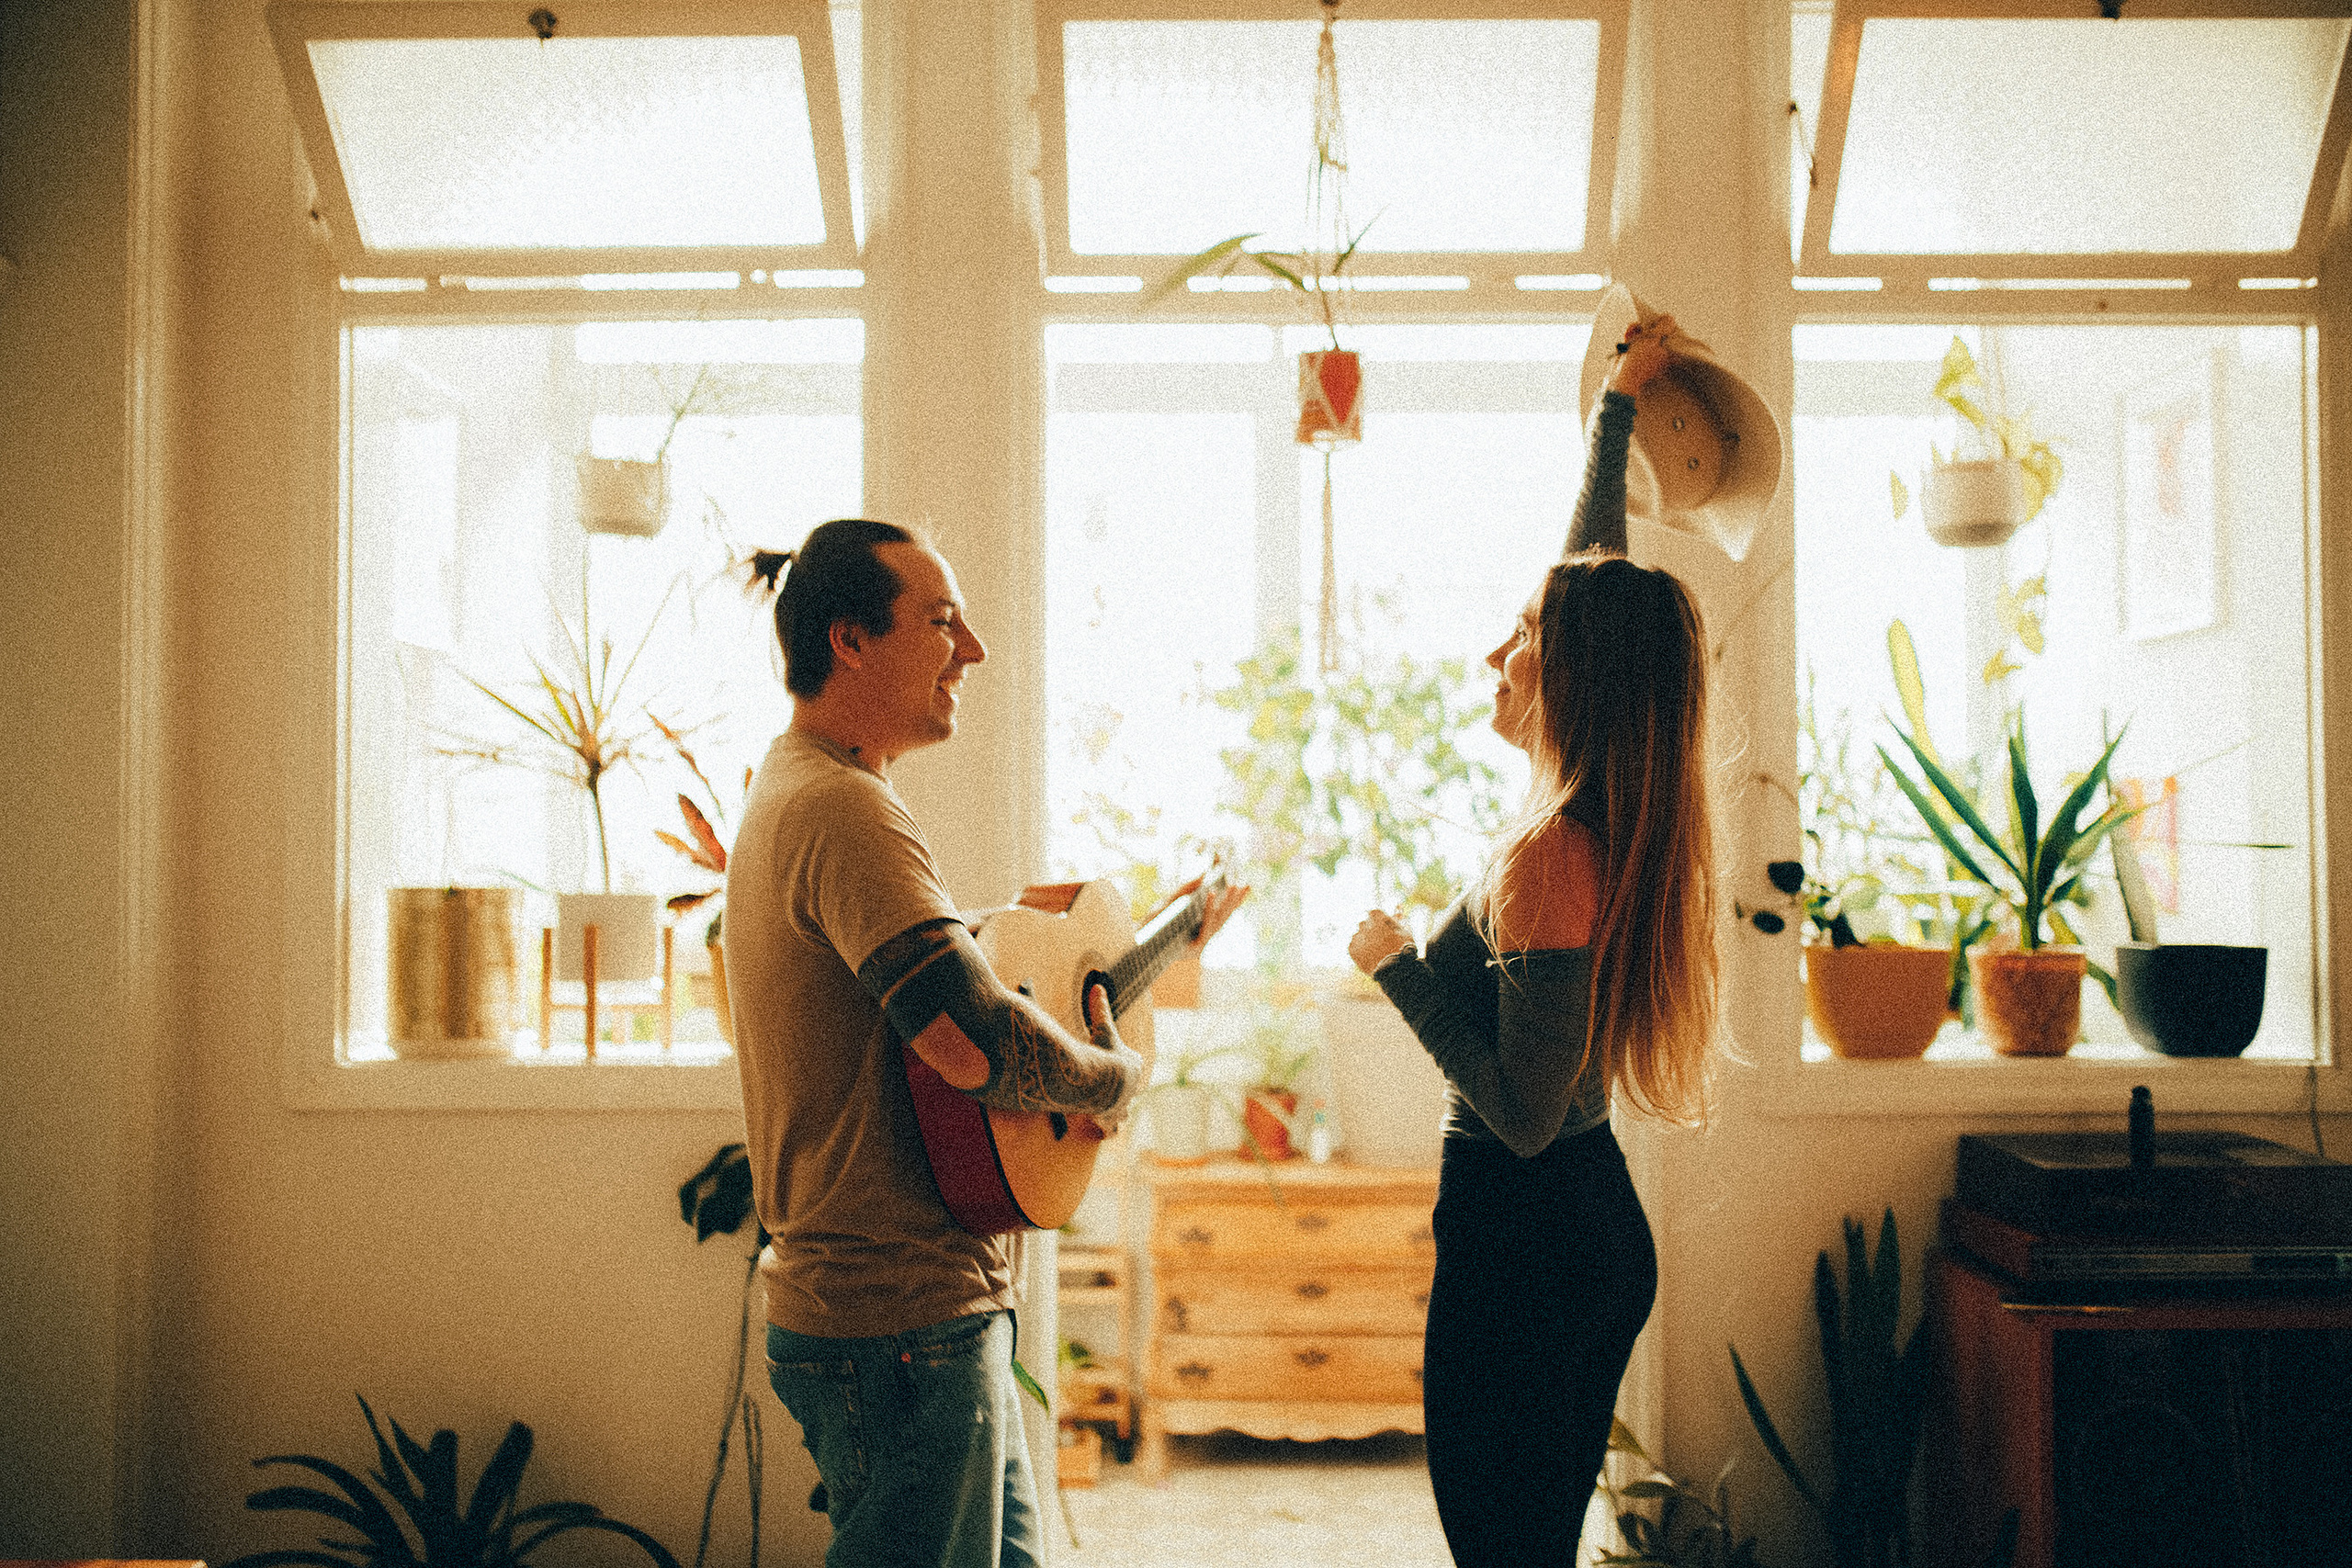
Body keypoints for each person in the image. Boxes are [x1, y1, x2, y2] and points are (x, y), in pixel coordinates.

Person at [724, 517, 1242, 1568]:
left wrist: (1140, 955)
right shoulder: (841, 810)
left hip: (915, 1313)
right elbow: (969, 1042)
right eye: (942, 621)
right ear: (850, 642)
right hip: (897, 1320)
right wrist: (1112, 1081)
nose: (974, 651)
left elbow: (959, 1001)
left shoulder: (819, 793)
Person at [1345, 305, 1747, 1566]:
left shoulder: (1548, 852)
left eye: (1516, 642)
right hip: (1580, 1231)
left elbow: (1518, 1111)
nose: (1491, 654)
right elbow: (1590, 583)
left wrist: (1397, 967)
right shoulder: (1602, 809)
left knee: (1501, 1543)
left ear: (1568, 679)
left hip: (1527, 1243)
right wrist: (1615, 410)